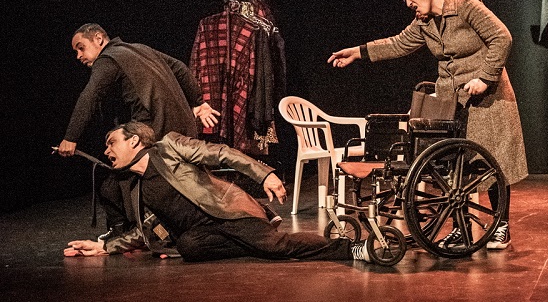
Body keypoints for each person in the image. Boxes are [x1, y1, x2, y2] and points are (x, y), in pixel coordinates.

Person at [328, 0, 528, 250]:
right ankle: (460, 228)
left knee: (492, 161)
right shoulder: (425, 22)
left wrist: (485, 78)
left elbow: (501, 37)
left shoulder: (466, 5)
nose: (408, 2)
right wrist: (359, 52)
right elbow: (398, 43)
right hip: (453, 101)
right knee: (456, 165)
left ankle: (501, 226)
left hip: (486, 96)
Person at [64, 121, 367, 262]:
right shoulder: (138, 188)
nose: (107, 152)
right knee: (187, 248)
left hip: (229, 214)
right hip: (202, 234)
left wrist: (265, 175)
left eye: (112, 143)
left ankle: (349, 249)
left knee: (276, 247)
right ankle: (254, 246)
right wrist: (105, 247)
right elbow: (145, 230)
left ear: (134, 141)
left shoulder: (168, 147)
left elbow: (222, 153)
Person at [58, 23, 220, 157]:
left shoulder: (107, 59)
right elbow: (180, 68)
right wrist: (198, 102)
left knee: (124, 176)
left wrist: (70, 137)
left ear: (98, 38)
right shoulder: (139, 48)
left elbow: (90, 96)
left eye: (81, 48)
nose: (78, 56)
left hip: (155, 130)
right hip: (186, 128)